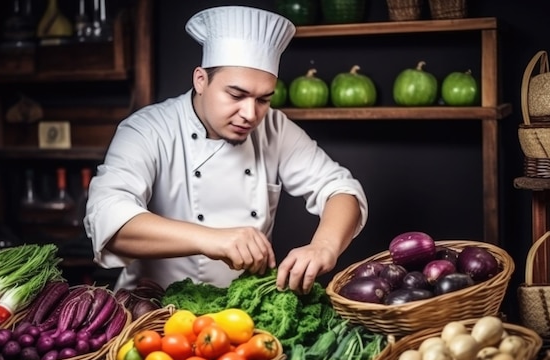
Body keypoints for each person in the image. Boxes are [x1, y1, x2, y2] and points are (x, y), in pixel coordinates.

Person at [84, 5, 368, 294]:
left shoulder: (274, 127)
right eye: (236, 94)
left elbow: (340, 189)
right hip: (155, 310)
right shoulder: (147, 130)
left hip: (244, 312)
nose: (250, 114)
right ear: (201, 80)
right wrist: (211, 239)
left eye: (263, 99)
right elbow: (109, 218)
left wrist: (323, 246)